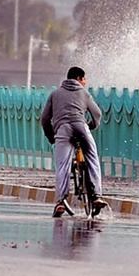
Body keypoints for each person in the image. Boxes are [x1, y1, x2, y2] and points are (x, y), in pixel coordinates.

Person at [40, 66, 106, 217]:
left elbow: (44, 119)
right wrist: (91, 126)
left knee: (62, 165)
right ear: (79, 78)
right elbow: (97, 114)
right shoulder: (84, 93)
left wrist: (51, 136)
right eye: (84, 79)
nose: (85, 82)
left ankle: (60, 202)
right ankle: (97, 195)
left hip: (62, 129)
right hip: (81, 126)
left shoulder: (55, 94)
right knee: (92, 158)